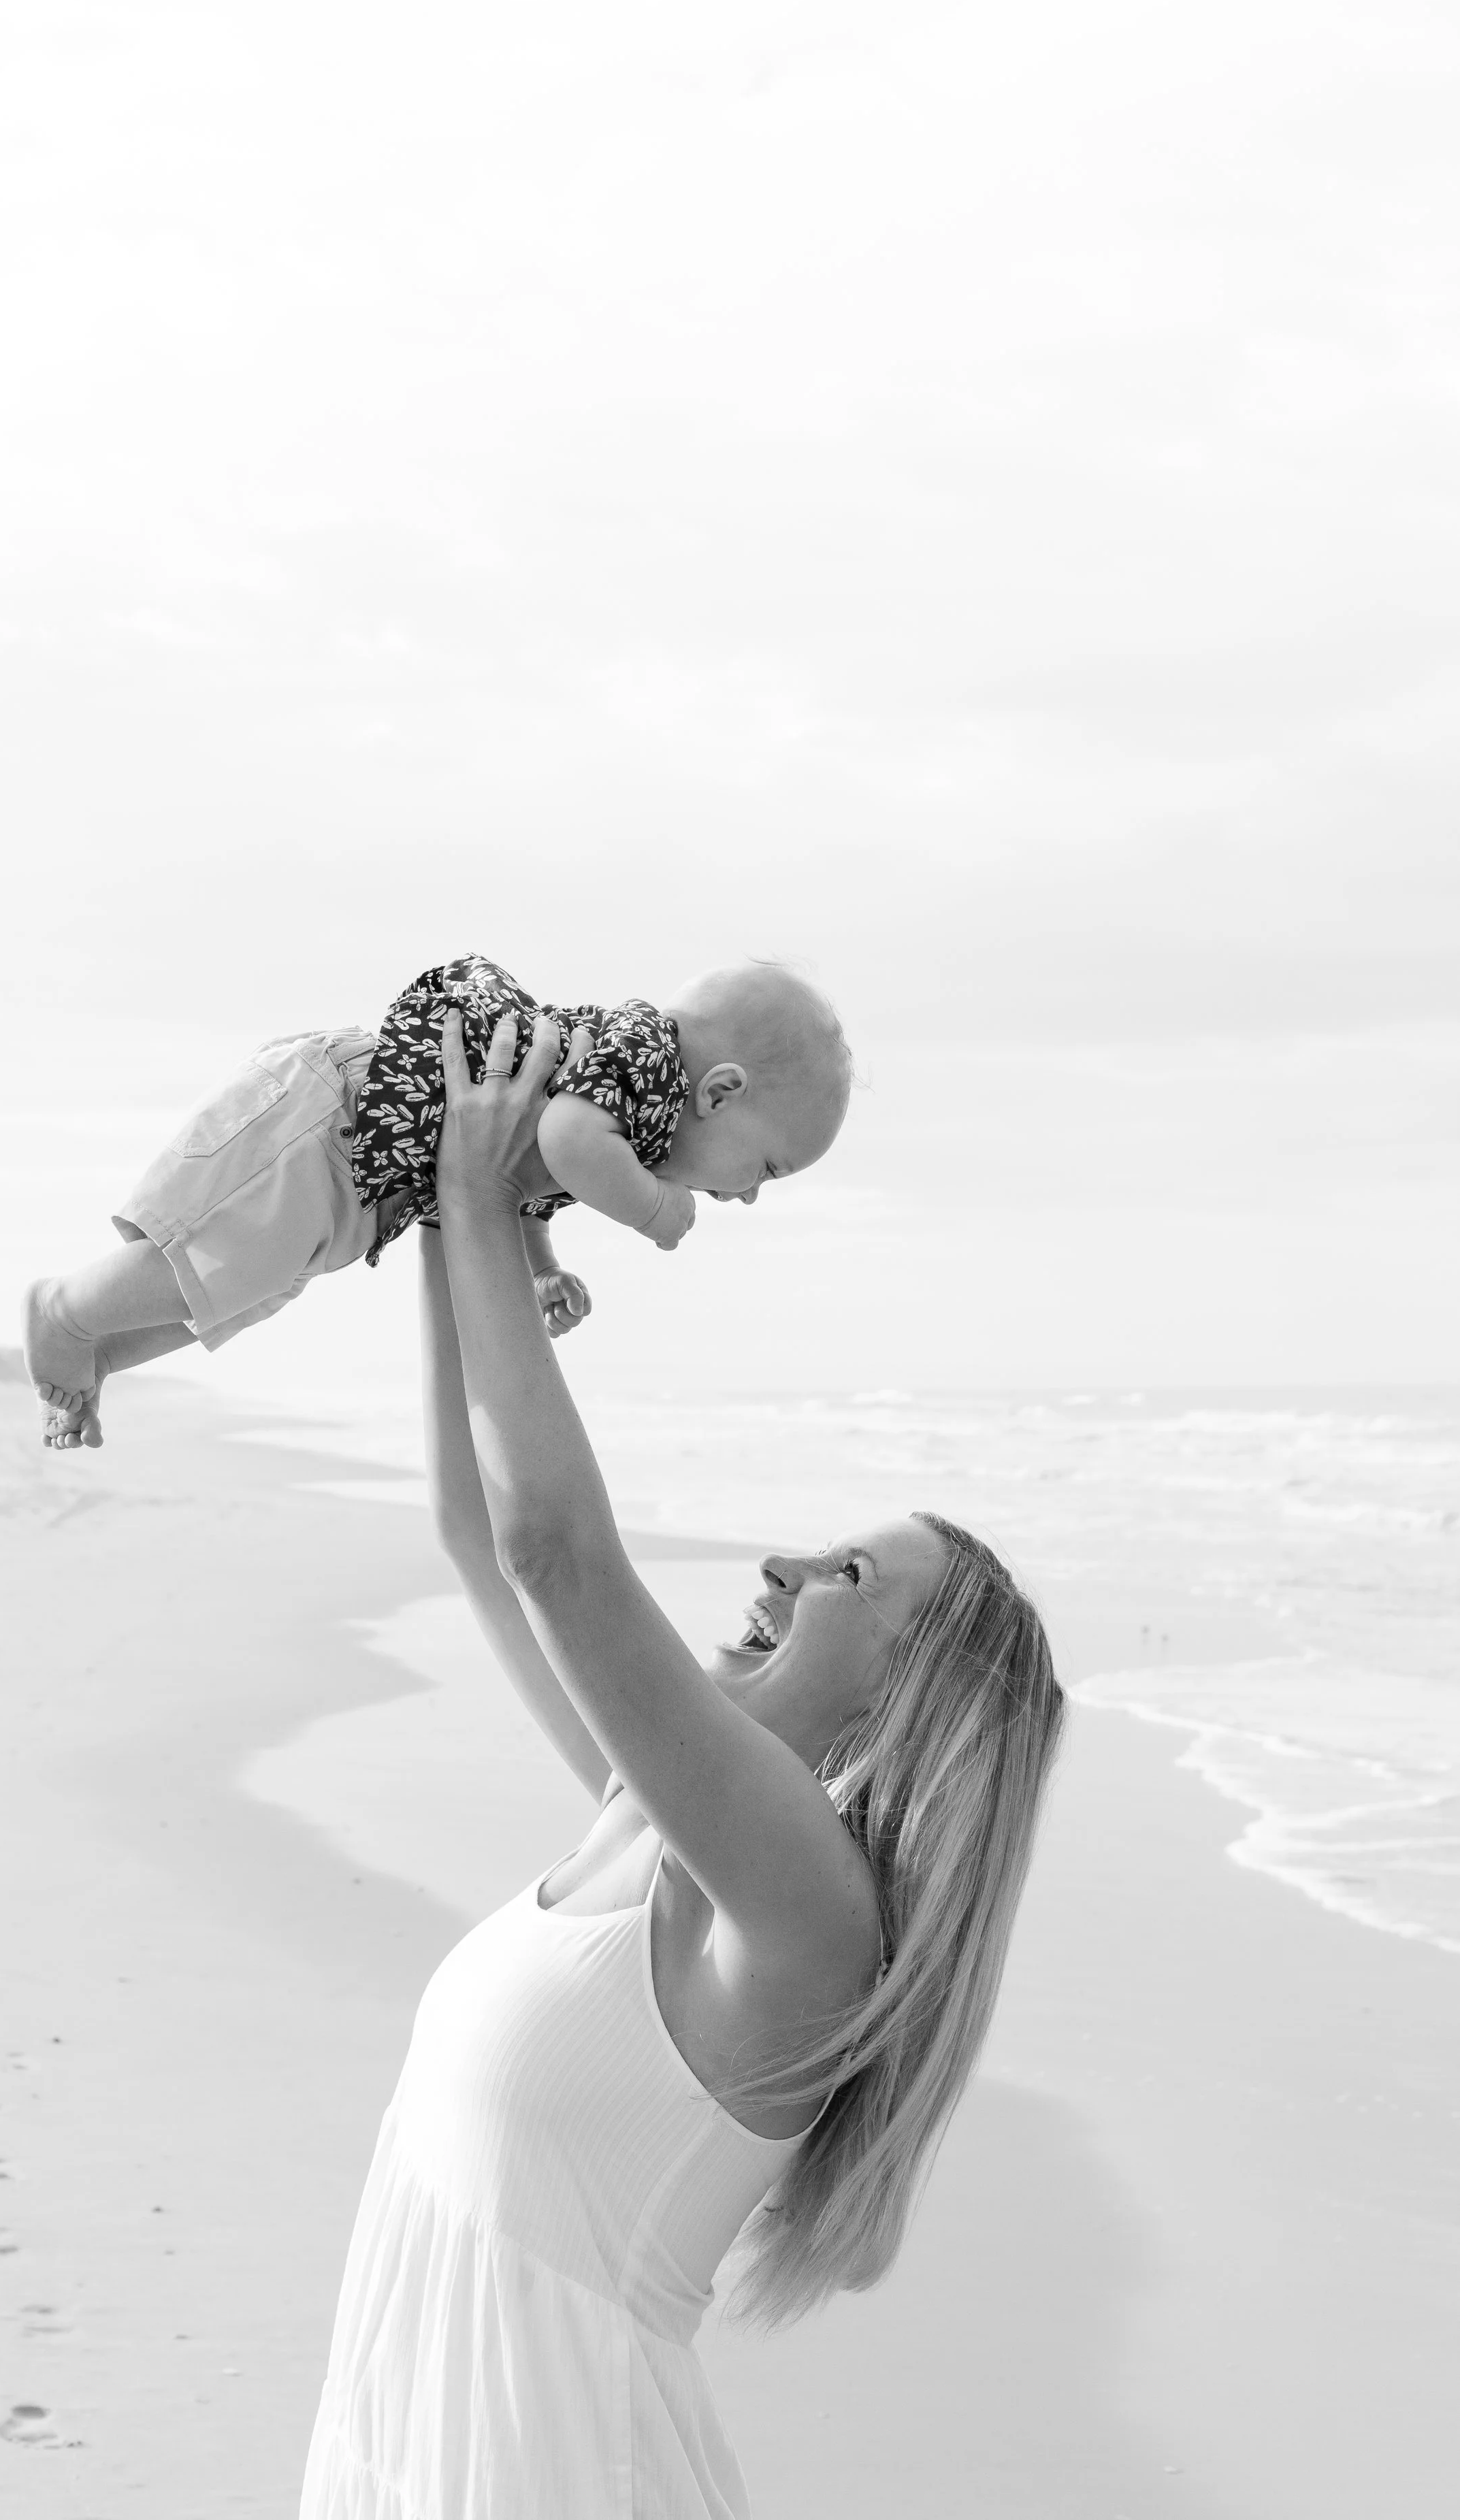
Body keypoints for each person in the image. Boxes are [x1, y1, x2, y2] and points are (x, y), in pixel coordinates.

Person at [299, 1009, 1067, 2519]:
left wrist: (470, 1202)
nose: (783, 1564)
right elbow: (483, 1538)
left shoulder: (802, 1909)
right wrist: (480, 1203)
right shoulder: (644, 1814)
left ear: (912, 1697)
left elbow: (557, 1552)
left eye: (846, 1575)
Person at [22, 951, 851, 1450]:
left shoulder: (626, 1118)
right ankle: (66, 1312)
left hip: (362, 1173)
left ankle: (101, 1354)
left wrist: (540, 1268)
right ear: (720, 1090)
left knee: (249, 1286)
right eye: (768, 1170)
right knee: (225, 1259)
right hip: (339, 1115)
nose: (744, 1197)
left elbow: (528, 1182)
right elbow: (564, 1143)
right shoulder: (646, 1065)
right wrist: (655, 1213)